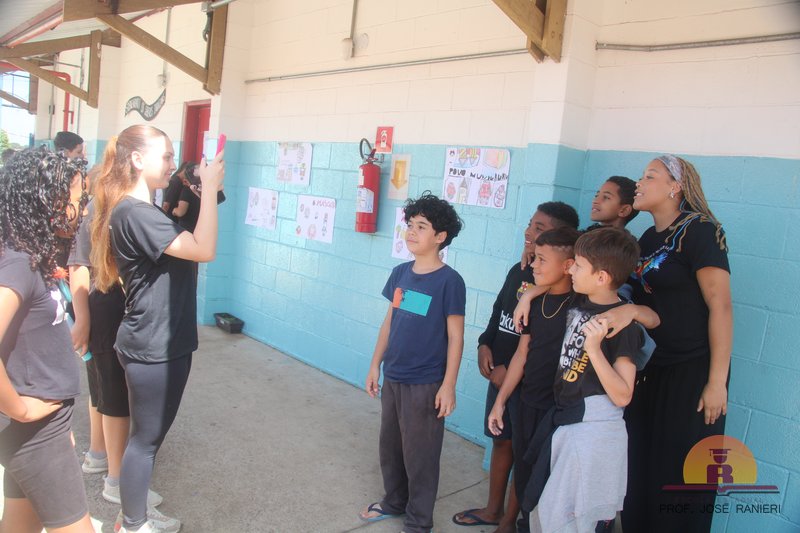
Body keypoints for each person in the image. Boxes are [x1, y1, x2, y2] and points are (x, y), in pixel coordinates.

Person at [90, 125, 225, 533]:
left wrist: (209, 192)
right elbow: (204, 249)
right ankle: (133, 524)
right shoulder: (136, 213)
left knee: (148, 440)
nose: (172, 163)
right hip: (152, 344)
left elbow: (192, 242)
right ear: (137, 159)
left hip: (162, 340)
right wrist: (209, 187)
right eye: (165, 156)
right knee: (145, 443)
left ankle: (131, 516)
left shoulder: (144, 210)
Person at [599, 155, 732, 533]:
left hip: (692, 371)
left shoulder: (700, 230)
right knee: (642, 466)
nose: (639, 183)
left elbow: (720, 305)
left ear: (676, 187)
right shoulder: (647, 238)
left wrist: (716, 381)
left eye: (649, 176)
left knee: (680, 472)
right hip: (651, 367)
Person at [452, 202, 579, 533]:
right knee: (501, 440)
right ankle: (493, 510)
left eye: (540, 228)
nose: (529, 232)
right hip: (500, 377)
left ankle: (510, 520)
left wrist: (507, 368)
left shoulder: (559, 291)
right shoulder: (520, 270)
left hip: (527, 384)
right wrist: (484, 344)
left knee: (524, 454)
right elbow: (499, 311)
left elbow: (535, 346)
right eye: (530, 224)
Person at [521, 228, 656, 532]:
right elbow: (550, 282)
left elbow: (623, 395)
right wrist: (527, 295)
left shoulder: (621, 325)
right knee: (546, 512)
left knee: (568, 518)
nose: (571, 269)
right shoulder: (581, 301)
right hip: (567, 420)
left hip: (592, 430)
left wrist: (594, 349)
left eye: (579, 265)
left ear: (601, 277)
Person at [359, 192, 465, 533]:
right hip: (394, 376)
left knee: (421, 454)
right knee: (391, 446)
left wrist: (448, 385)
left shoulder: (450, 281)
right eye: (410, 225)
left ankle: (419, 523)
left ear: (440, 236)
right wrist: (375, 365)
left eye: (422, 226)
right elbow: (389, 323)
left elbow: (456, 337)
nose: (412, 232)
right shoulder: (400, 273)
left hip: (426, 382)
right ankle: (394, 502)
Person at [0, 147, 94, 533]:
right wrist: (20, 410)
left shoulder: (29, 253)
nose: (82, 210)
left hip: (42, 425)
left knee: (20, 526)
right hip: (32, 429)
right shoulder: (17, 264)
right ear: (48, 200)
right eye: (77, 199)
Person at [68, 197, 165, 511]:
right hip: (107, 309)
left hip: (103, 308)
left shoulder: (110, 206)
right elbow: (78, 264)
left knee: (101, 388)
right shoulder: (108, 207)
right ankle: (116, 479)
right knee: (114, 395)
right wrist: (82, 319)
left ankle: (98, 453)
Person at [486, 226, 581, 533]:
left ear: (568, 265)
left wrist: (529, 293)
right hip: (527, 402)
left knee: (550, 482)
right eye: (535, 258)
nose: (534, 266)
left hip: (559, 411)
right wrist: (500, 402)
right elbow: (521, 355)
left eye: (542, 260)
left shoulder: (581, 305)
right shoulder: (536, 304)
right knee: (525, 473)